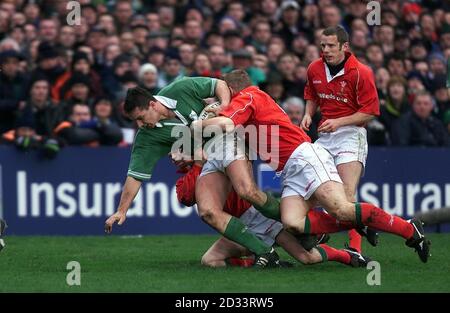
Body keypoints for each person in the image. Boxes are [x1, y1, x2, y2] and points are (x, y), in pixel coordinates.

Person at [198, 69, 430, 266]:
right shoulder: (254, 100)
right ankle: (357, 222)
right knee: (292, 222)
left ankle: (410, 230)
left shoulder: (248, 96)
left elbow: (226, 123)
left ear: (229, 88)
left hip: (303, 157)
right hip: (289, 170)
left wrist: (196, 125)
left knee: (341, 208)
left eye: (222, 91)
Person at [173, 151, 371, 268]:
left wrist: (201, 159)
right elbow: (187, 197)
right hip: (238, 227)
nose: (174, 157)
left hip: (258, 215)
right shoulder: (184, 181)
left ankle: (346, 255)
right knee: (210, 260)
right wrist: (198, 164)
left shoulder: (218, 159)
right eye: (172, 155)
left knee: (306, 258)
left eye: (179, 151)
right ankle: (267, 261)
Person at [301, 26, 380, 253]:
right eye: (322, 45)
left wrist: (339, 122)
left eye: (331, 46)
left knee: (346, 195)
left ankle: (355, 249)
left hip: (351, 133)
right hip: (325, 134)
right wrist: (308, 113)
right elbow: (312, 95)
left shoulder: (361, 72)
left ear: (345, 47)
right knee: (313, 188)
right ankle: (360, 223)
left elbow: (370, 111)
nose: (325, 50)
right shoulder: (314, 68)